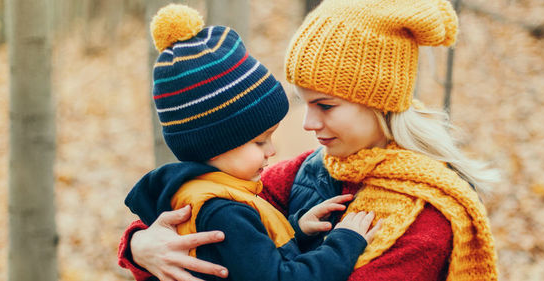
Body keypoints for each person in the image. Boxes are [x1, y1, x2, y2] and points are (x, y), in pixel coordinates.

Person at [118, 0, 501, 280]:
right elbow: (220, 224)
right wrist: (141, 246)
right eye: (304, 102)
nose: (307, 124)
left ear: (380, 101)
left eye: (325, 105)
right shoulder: (305, 172)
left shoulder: (425, 222)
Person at [122, 4, 381, 281]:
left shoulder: (200, 193)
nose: (272, 150)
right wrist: (344, 242)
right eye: (259, 142)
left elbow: (247, 257)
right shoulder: (224, 210)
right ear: (214, 143)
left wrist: (296, 230)